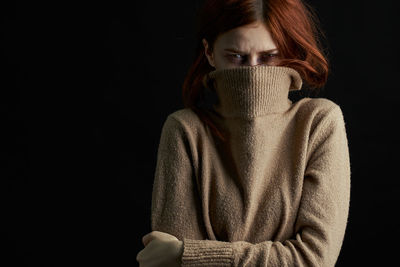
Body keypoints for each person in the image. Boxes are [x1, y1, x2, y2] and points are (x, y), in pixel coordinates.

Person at [136, 0, 351, 266]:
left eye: (268, 56)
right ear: (210, 53)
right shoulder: (185, 130)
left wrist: (189, 254)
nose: (253, 71)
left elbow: (314, 259)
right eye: (236, 56)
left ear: (287, 51)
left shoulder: (318, 123)